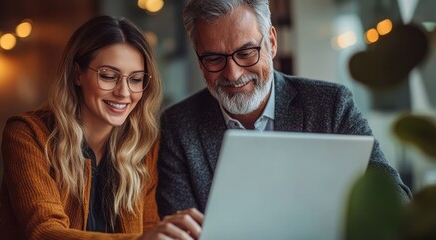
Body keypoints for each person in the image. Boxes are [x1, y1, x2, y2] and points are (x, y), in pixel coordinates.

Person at [156, 0, 412, 218]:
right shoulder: (178, 127)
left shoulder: (332, 105)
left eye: (246, 53)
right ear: (200, 61)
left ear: (272, 42)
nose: (233, 74)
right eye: (213, 58)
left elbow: (395, 200)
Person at [0, 16, 202, 240]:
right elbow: (44, 232)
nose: (124, 92)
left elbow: (149, 226)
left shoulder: (142, 145)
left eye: (135, 79)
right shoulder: (27, 134)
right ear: (77, 74)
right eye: (108, 76)